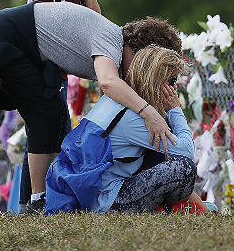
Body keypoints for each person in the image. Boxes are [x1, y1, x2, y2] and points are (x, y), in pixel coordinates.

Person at [0, 1, 182, 214]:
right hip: (2, 37)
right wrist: (148, 112)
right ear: (139, 52)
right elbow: (108, 82)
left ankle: (42, 197)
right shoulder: (112, 43)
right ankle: (38, 201)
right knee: (45, 116)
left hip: (17, 43)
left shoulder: (112, 41)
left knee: (55, 117)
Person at [19, 0, 119, 212]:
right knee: (44, 133)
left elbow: (97, 26)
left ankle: (45, 201)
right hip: (37, 65)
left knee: (56, 132)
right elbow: (38, 20)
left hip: (56, 70)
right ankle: (31, 204)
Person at [45, 45, 214, 215]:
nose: (175, 88)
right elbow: (186, 151)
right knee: (184, 169)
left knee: (159, 157)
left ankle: (198, 209)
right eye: (172, 81)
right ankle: (172, 210)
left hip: (92, 193)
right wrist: (175, 110)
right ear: (156, 80)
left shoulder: (116, 101)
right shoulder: (134, 117)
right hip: (106, 203)